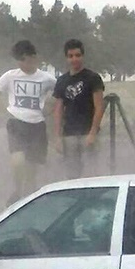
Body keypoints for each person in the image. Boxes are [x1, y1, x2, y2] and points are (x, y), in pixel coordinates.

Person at [0, 40, 57, 203]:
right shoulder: (10, 76)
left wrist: (50, 107)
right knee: (18, 161)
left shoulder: (46, 78)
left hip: (37, 124)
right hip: (17, 123)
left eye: (28, 59)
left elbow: (60, 92)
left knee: (32, 168)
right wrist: (5, 111)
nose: (26, 64)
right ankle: (17, 190)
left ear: (35, 57)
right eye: (21, 60)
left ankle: (30, 197)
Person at [52, 39, 105, 180]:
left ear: (83, 56)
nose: (74, 59)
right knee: (72, 176)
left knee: (92, 175)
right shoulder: (62, 81)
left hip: (87, 133)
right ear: (66, 58)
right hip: (69, 134)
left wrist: (93, 132)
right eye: (71, 56)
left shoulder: (93, 78)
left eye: (77, 55)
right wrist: (57, 137)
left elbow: (99, 106)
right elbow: (58, 109)